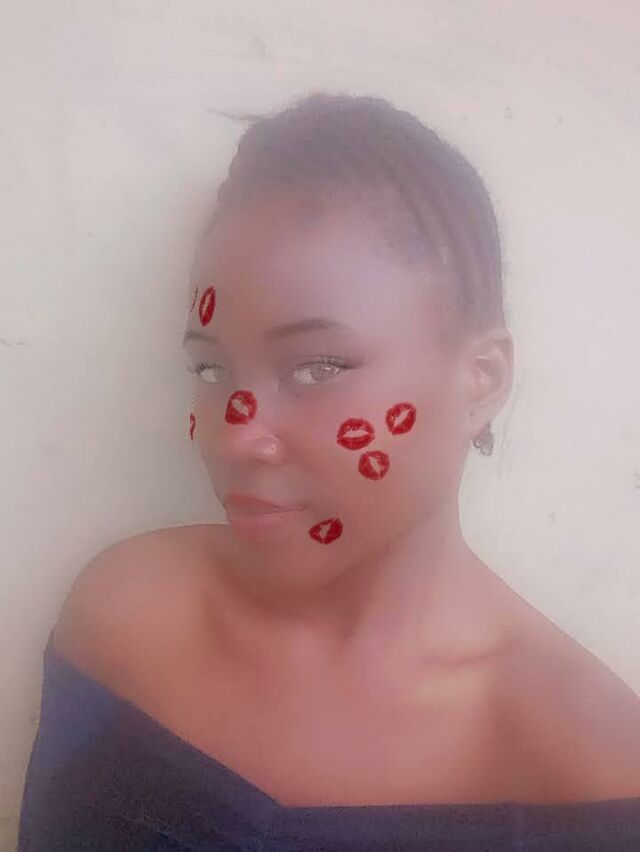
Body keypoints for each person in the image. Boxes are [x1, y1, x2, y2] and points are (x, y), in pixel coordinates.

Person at [18, 93, 640, 851]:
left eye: (317, 366)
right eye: (211, 369)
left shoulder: (587, 761)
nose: (237, 437)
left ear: (480, 379)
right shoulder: (128, 615)